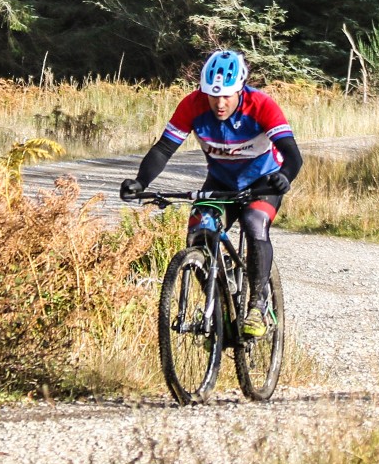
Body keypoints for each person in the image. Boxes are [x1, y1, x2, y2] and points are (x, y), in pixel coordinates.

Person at [121, 48, 302, 337]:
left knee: (255, 223)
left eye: (226, 95)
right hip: (220, 181)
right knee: (198, 231)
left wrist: (285, 176)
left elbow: (293, 155)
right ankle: (219, 305)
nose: (219, 103)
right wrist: (140, 182)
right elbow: (164, 149)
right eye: (212, 95)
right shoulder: (192, 105)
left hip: (263, 182)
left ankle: (257, 305)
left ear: (240, 89)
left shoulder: (261, 105)